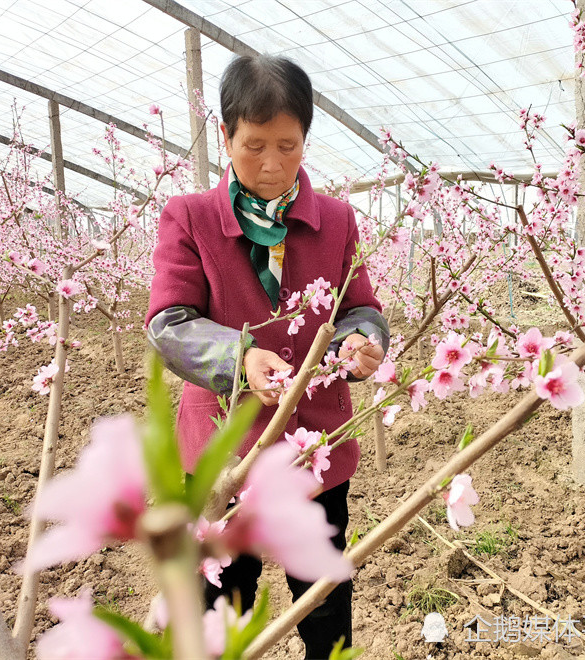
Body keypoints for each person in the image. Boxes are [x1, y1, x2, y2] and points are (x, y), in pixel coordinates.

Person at [145, 53, 389, 659]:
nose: (273, 164)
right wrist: (241, 356)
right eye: (254, 145)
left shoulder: (336, 221)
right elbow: (169, 322)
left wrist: (363, 341)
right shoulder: (191, 219)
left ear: (306, 138)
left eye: (289, 144)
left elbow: (358, 306)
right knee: (221, 600)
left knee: (324, 597)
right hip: (224, 447)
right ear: (225, 136)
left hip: (317, 447)